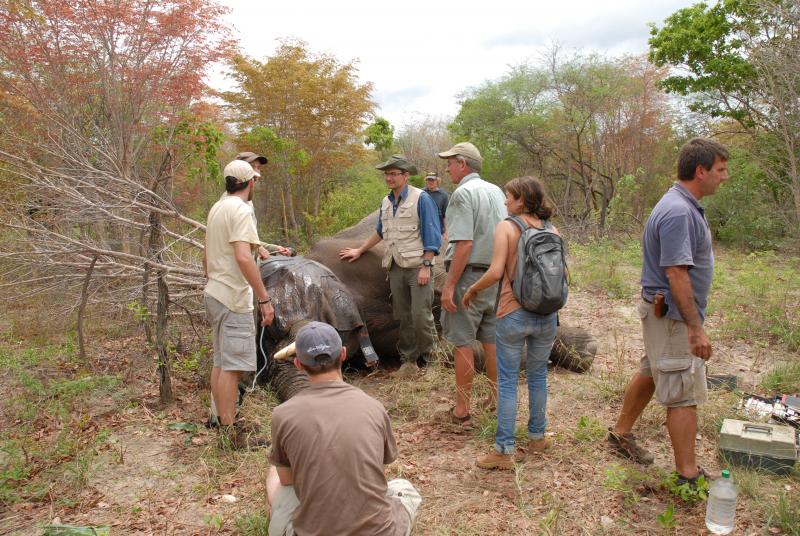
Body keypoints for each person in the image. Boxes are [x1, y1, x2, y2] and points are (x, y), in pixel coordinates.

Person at [608, 138, 729, 486]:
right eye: (720, 170)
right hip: (673, 318)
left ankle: (620, 433)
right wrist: (695, 328)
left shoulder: (683, 204)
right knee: (682, 395)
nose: (725, 176)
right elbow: (676, 272)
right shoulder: (677, 211)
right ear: (701, 170)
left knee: (651, 371)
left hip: (665, 316)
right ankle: (687, 476)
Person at [266, 321, 422, 536]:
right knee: (404, 488)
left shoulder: (282, 414)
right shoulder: (373, 407)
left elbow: (287, 480)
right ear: (343, 354)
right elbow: (379, 476)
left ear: (299, 365)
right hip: (380, 531)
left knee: (275, 473)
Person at [462, 177, 560, 469]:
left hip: (513, 312)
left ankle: (504, 451)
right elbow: (563, 274)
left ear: (522, 200)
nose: (505, 202)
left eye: (510, 197)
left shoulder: (507, 226)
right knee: (538, 376)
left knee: (507, 382)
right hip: (547, 315)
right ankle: (537, 438)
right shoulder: (552, 229)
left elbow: (495, 272)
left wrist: (472, 289)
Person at [339, 155, 442, 376]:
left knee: (421, 314)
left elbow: (432, 235)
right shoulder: (386, 202)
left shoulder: (421, 199)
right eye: (387, 174)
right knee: (402, 315)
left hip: (417, 266)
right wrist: (360, 250)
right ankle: (408, 361)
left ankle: (432, 361)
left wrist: (426, 265)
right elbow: (380, 231)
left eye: (394, 174)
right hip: (395, 266)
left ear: (406, 176)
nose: (389, 178)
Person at [203, 159, 274, 448]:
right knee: (233, 368)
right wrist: (264, 298)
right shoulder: (241, 210)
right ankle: (230, 435)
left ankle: (222, 424)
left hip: (215, 292)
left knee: (221, 362)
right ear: (251, 182)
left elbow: (207, 257)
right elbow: (244, 257)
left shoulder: (218, 208)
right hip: (233, 296)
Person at [437, 142, 506, 424]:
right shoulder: (497, 191)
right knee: (491, 338)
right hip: (497, 275)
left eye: (450, 162)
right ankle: (496, 397)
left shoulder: (462, 194)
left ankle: (462, 409)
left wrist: (451, 285)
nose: (447, 168)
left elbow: (464, 243)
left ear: (463, 165)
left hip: (469, 276)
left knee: (463, 340)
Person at [236, 151, 294, 258]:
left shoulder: (248, 201)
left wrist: (275, 249)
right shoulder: (234, 203)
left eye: (258, 167)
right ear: (239, 169)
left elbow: (249, 239)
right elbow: (237, 243)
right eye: (252, 167)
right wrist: (259, 249)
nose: (256, 172)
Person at [423, 172, 448, 238]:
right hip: (423, 230)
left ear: (437, 181)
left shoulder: (443, 195)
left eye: (433, 180)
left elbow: (445, 215)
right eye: (428, 180)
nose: (430, 182)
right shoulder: (421, 193)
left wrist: (446, 232)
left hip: (438, 230)